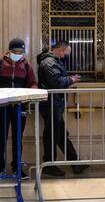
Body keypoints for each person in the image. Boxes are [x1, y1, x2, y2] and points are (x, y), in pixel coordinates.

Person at [0, 38, 38, 180]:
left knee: (17, 138)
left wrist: (33, 92)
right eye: (15, 51)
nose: (18, 54)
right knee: (1, 137)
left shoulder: (26, 65)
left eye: (21, 52)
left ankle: (17, 169)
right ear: (9, 50)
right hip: (2, 105)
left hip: (20, 105)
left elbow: (32, 82)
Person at [37, 41, 89, 177]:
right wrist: (71, 80)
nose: (66, 56)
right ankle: (49, 164)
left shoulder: (53, 62)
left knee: (59, 134)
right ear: (60, 50)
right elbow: (57, 82)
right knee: (52, 134)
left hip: (54, 103)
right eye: (66, 53)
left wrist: (68, 79)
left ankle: (75, 163)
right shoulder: (50, 63)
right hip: (51, 103)